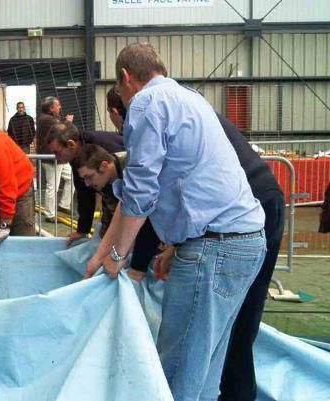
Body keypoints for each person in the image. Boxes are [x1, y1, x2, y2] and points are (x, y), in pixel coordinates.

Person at [86, 43, 267, 400]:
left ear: (125, 78)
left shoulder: (146, 104)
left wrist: (118, 257)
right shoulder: (189, 97)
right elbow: (159, 187)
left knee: (177, 375)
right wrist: (171, 245)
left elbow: (140, 193)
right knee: (204, 369)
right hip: (243, 240)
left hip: (215, 247)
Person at [75, 144, 160, 276]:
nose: (87, 184)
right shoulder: (104, 182)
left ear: (104, 166)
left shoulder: (132, 170)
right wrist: (98, 258)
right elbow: (112, 219)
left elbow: (137, 216)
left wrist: (118, 255)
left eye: (89, 177)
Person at [46, 121, 124, 245]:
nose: (56, 157)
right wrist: (83, 229)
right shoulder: (75, 157)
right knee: (107, 235)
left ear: (71, 144)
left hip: (131, 189)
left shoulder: (104, 146)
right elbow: (84, 193)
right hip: (111, 193)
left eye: (57, 152)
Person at [36, 96, 75, 221]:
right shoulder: (46, 119)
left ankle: (64, 204)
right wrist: (68, 122)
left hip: (59, 158)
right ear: (51, 108)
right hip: (52, 158)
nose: (60, 107)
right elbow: (62, 130)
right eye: (58, 105)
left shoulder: (51, 118)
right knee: (53, 186)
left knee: (72, 177)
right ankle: (50, 214)